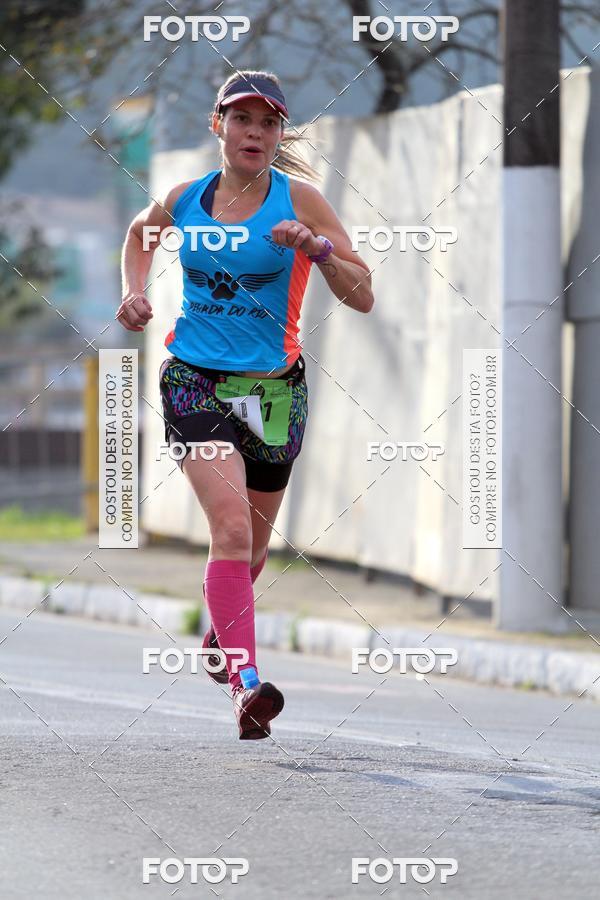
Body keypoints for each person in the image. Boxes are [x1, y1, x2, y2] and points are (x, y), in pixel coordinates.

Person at [117, 70, 374, 739]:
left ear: (279, 133)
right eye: (242, 119)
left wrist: (316, 249)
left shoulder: (302, 199)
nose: (255, 133)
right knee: (229, 530)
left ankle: (221, 632)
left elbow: (363, 292)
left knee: (253, 550)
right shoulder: (188, 197)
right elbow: (141, 232)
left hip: (274, 390)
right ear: (218, 126)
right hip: (194, 380)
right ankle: (245, 685)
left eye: (268, 123)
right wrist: (134, 292)